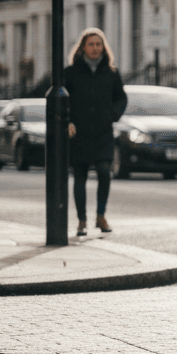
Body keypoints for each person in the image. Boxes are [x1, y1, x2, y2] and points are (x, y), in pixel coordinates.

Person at [63, 28, 128, 237]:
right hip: (79, 133)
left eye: (98, 44)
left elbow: (121, 98)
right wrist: (67, 121)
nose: (95, 48)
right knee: (80, 176)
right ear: (83, 47)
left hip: (102, 133)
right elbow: (62, 100)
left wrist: (112, 114)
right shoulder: (71, 72)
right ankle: (82, 221)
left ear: (103, 47)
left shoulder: (111, 72)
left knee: (104, 172)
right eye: (91, 44)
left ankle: (100, 216)